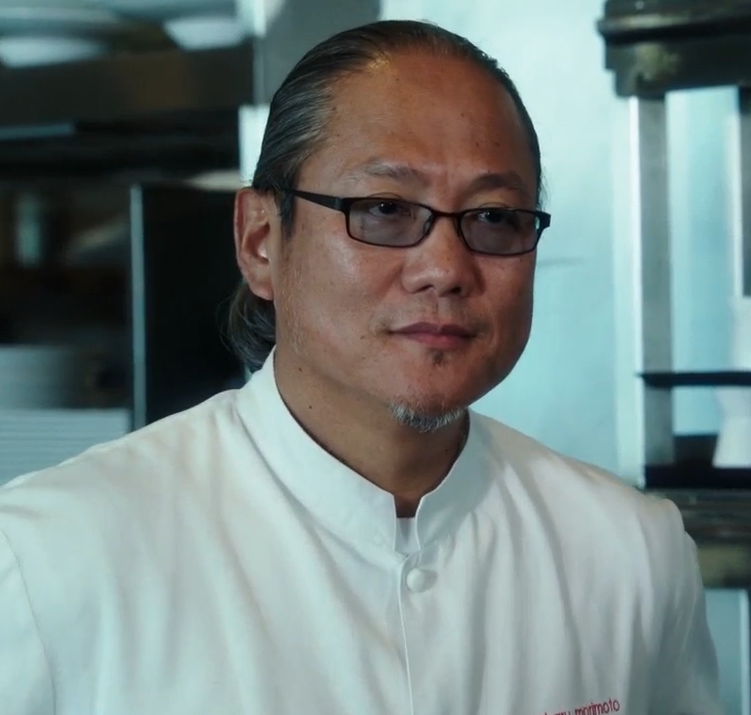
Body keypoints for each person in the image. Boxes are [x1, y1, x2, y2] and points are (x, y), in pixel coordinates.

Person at [0, 20, 721, 715]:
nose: (445, 268)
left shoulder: (629, 551)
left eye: (494, 217)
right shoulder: (51, 557)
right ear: (259, 239)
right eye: (383, 208)